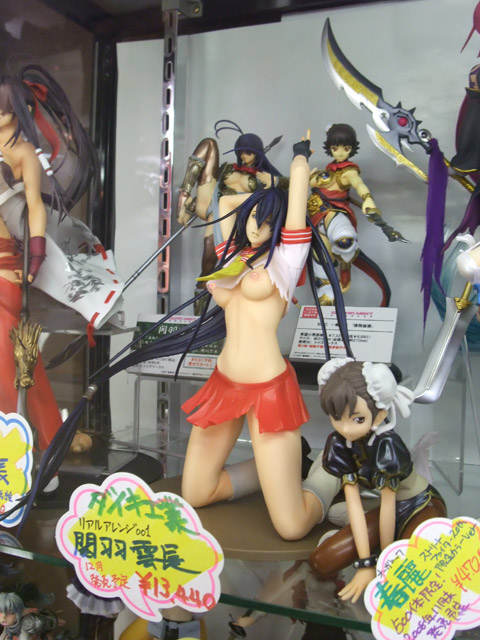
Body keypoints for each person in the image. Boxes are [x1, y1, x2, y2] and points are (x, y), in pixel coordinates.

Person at [179, 131, 347, 541]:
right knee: (196, 493)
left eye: (269, 221)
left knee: (291, 527)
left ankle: (326, 477)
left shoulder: (285, 261)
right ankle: (280, 470)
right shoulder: (232, 255)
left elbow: (297, 194)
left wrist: (299, 159)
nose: (258, 226)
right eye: (255, 217)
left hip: (268, 390)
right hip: (225, 384)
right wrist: (259, 198)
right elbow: (223, 203)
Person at [0, 65, 123, 339]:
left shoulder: (24, 152)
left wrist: (37, 251)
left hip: (11, 218)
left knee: (57, 272)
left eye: (3, 109)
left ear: (21, 110)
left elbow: (34, 203)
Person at [311, 358, 446, 602]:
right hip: (383, 509)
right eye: (337, 417)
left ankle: (384, 547)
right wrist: (365, 564)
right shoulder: (340, 443)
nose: (346, 428)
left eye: (357, 419)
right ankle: (365, 543)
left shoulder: (387, 444)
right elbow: (353, 501)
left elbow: (388, 507)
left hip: (420, 505)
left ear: (379, 415)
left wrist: (381, 563)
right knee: (322, 561)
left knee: (405, 574)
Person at [177, 121, 284, 312]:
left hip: (240, 223)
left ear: (257, 153)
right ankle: (198, 315)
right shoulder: (227, 168)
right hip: (216, 213)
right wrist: (187, 206)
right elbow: (212, 191)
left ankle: (230, 311)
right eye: (241, 152)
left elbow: (286, 190)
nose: (244, 156)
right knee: (208, 260)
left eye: (248, 152)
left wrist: (275, 181)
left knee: (233, 270)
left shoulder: (263, 176)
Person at [308, 123, 403, 305]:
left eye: (345, 148)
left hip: (335, 216)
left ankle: (345, 266)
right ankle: (326, 297)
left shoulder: (348, 171)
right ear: (329, 148)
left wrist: (367, 199)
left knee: (344, 241)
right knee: (320, 260)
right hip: (316, 221)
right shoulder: (327, 170)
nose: (340, 153)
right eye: (335, 148)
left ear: (351, 149)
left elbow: (359, 184)